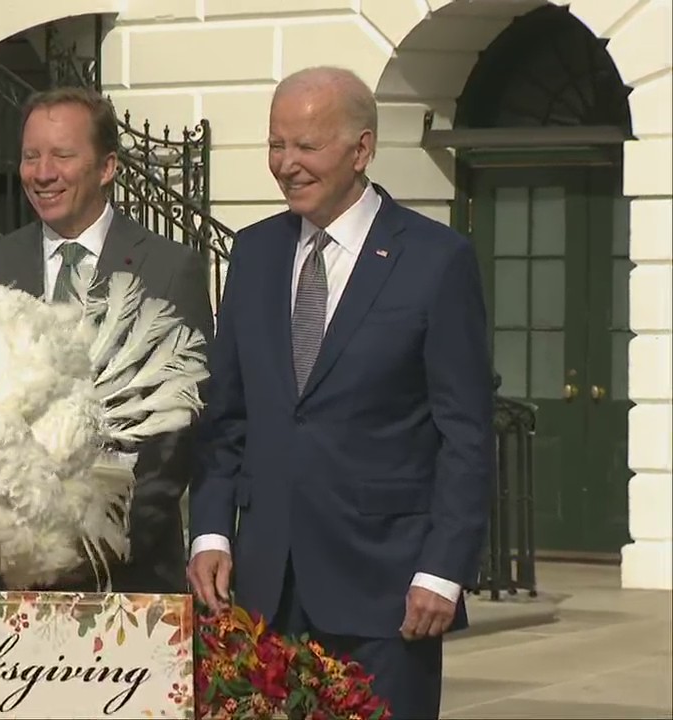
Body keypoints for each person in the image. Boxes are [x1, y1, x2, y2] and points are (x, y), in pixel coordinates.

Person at [187, 66, 494, 720]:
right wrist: (211, 532)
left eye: (306, 146)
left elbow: (465, 434)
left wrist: (443, 568)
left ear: (361, 149)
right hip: (264, 591)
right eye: (276, 145)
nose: (286, 164)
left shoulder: (436, 260)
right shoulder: (254, 252)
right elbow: (226, 419)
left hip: (387, 592)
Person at [0, 86, 215, 593]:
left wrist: (95, 542)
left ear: (107, 168)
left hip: (127, 571)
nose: (42, 172)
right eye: (31, 156)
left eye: (62, 155)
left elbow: (184, 431)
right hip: (6, 572)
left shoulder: (169, 271)